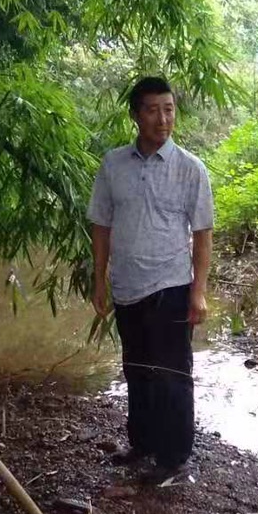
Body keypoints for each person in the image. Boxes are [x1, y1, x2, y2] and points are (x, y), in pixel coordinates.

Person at [87, 76, 214, 483]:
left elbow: (203, 232)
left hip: (171, 286)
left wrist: (199, 293)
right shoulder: (113, 165)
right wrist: (99, 280)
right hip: (127, 286)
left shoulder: (190, 169)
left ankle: (174, 459)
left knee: (173, 374)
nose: (163, 119)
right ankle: (141, 443)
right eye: (153, 110)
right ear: (135, 115)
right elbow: (102, 224)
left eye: (169, 109)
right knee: (137, 368)